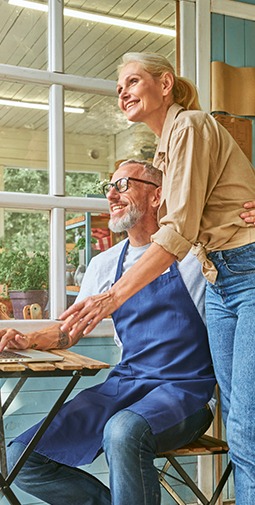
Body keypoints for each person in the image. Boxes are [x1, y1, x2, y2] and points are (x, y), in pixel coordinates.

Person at [58, 53, 255, 505]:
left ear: (164, 84)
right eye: (119, 86)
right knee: (240, 424)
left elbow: (177, 233)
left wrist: (112, 297)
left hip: (247, 273)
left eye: (132, 81)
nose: (123, 91)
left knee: (244, 429)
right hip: (221, 277)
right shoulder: (166, 149)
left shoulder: (190, 125)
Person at [2, 160, 216, 505]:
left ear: (157, 196)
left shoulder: (195, 255)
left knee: (122, 431)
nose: (111, 196)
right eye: (109, 188)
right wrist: (28, 339)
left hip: (186, 390)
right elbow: (69, 331)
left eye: (123, 185)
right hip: (126, 384)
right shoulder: (105, 264)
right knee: (21, 459)